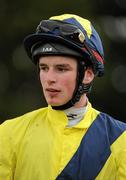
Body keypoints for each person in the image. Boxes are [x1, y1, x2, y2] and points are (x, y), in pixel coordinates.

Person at [0, 14, 126, 180]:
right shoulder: (9, 133)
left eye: (61, 69)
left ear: (88, 74)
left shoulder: (121, 139)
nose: (49, 78)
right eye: (44, 68)